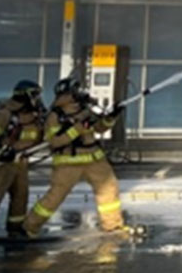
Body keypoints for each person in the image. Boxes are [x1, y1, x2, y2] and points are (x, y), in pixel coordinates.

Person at [21, 76, 129, 238]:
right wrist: (78, 128)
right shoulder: (55, 116)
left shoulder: (85, 110)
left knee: (109, 189)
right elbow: (55, 141)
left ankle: (113, 226)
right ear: (68, 94)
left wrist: (111, 117)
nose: (81, 93)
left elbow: (100, 128)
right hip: (68, 163)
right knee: (54, 197)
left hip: (94, 160)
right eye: (76, 90)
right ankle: (30, 227)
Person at [0, 80, 47, 245]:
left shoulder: (36, 117)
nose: (38, 99)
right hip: (1, 163)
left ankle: (15, 229)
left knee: (21, 196)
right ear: (26, 96)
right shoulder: (5, 115)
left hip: (21, 162)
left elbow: (41, 136)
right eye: (35, 95)